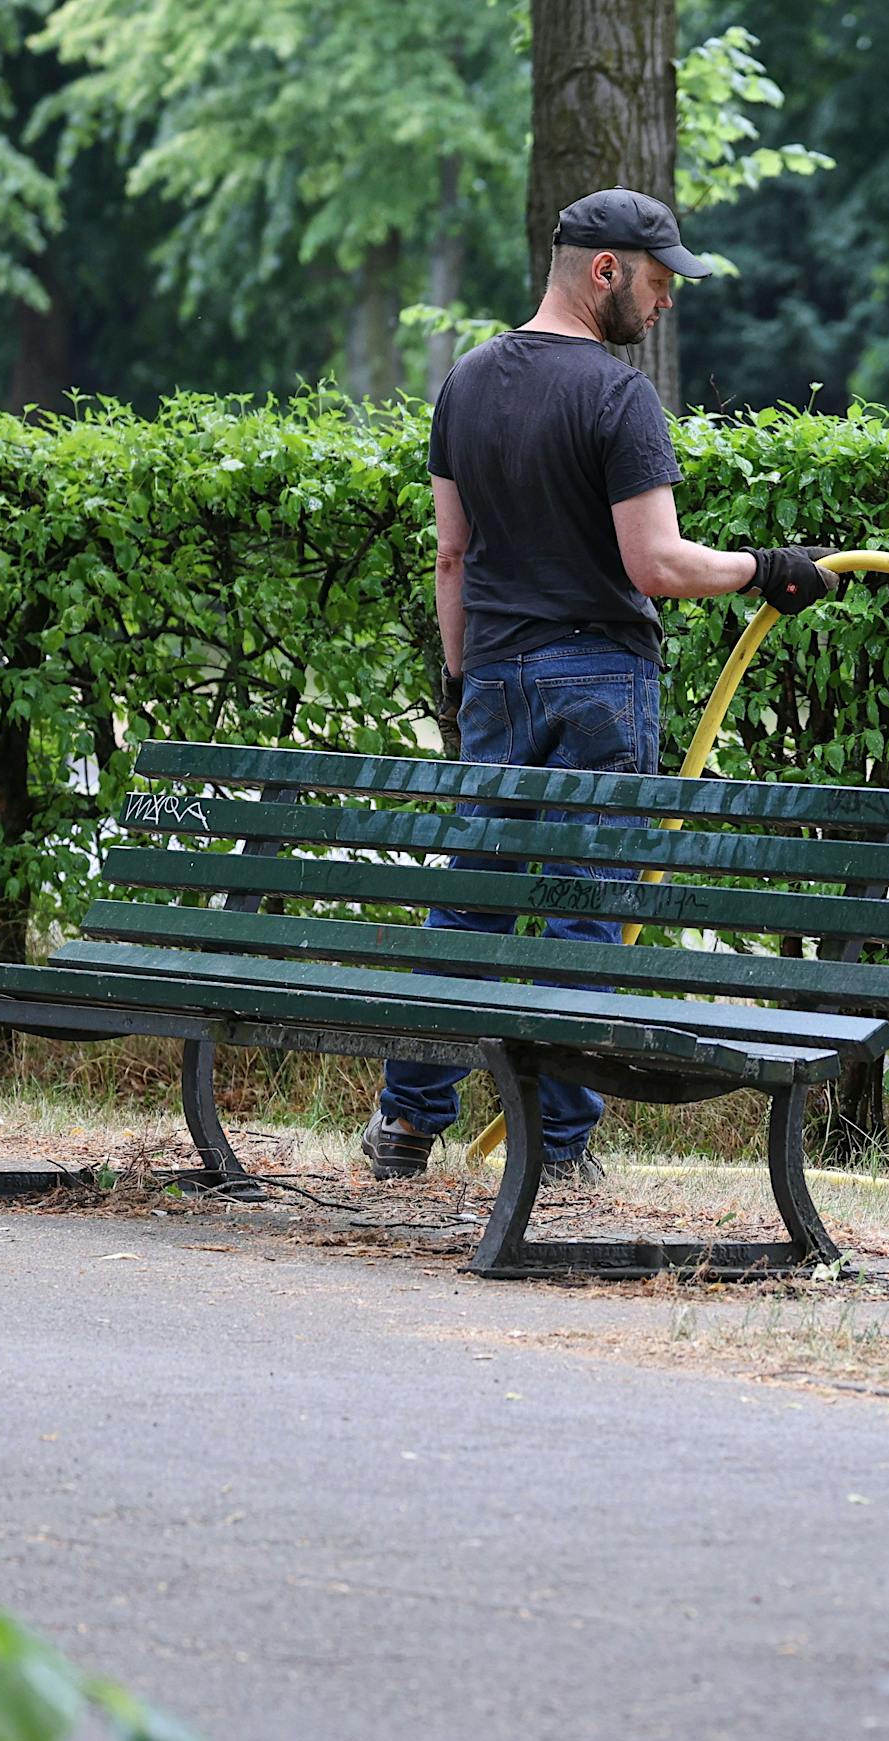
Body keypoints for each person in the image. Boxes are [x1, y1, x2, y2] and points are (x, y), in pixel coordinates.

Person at [362, 186, 838, 1183]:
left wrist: (465, 681)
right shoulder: (618, 397)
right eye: (658, 281)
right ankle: (555, 1150)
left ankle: (406, 1124)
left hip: (493, 673)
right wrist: (766, 568)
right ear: (604, 269)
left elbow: (452, 557)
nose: (664, 303)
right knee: (585, 910)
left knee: (473, 902)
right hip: (597, 680)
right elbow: (655, 564)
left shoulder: (466, 382)